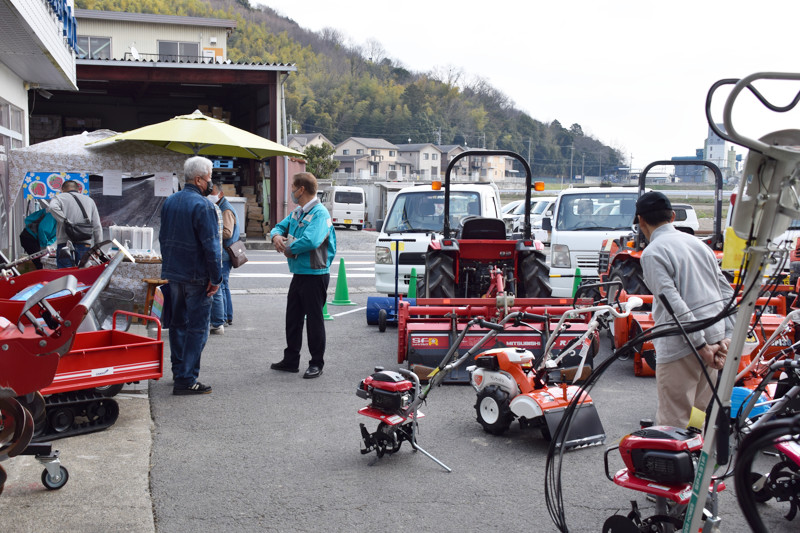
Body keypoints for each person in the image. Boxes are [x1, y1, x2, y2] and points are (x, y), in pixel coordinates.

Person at [637, 191, 734, 428]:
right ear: (672, 216)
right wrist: (726, 338)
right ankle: (696, 457)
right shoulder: (699, 245)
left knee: (674, 421)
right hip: (715, 343)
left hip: (681, 347)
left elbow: (672, 304)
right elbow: (727, 294)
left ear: (641, 221)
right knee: (697, 414)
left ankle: (680, 462)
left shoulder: (653, 253)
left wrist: (701, 345)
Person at [160, 156, 222, 395]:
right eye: (209, 178)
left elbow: (163, 239)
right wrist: (215, 279)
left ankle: (179, 372)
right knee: (197, 328)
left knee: (177, 324)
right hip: (197, 276)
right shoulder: (204, 206)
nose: (210, 182)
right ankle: (186, 379)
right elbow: (211, 246)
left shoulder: (170, 202)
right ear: (199, 179)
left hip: (174, 273)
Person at [270, 172, 336, 379]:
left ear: (301, 189)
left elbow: (311, 240)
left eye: (292, 186)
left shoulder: (320, 213)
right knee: (293, 318)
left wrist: (287, 248)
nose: (291, 190)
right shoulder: (298, 212)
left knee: (314, 320)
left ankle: (317, 362)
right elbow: (280, 226)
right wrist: (276, 236)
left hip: (315, 273)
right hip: (299, 272)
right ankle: (291, 359)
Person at [48, 180, 103, 268]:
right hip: (84, 243)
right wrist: (98, 247)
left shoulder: (59, 197)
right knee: (82, 273)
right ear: (79, 190)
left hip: (65, 243)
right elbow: (97, 225)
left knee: (65, 274)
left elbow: (52, 207)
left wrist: (65, 221)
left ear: (62, 190)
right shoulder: (89, 201)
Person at [209, 180, 239, 333]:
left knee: (221, 286)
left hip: (225, 254)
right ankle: (227, 316)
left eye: (212, 192)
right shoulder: (222, 206)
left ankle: (223, 317)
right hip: (226, 254)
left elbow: (227, 233)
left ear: (220, 193)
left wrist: (212, 229)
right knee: (224, 286)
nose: (209, 195)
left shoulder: (225, 210)